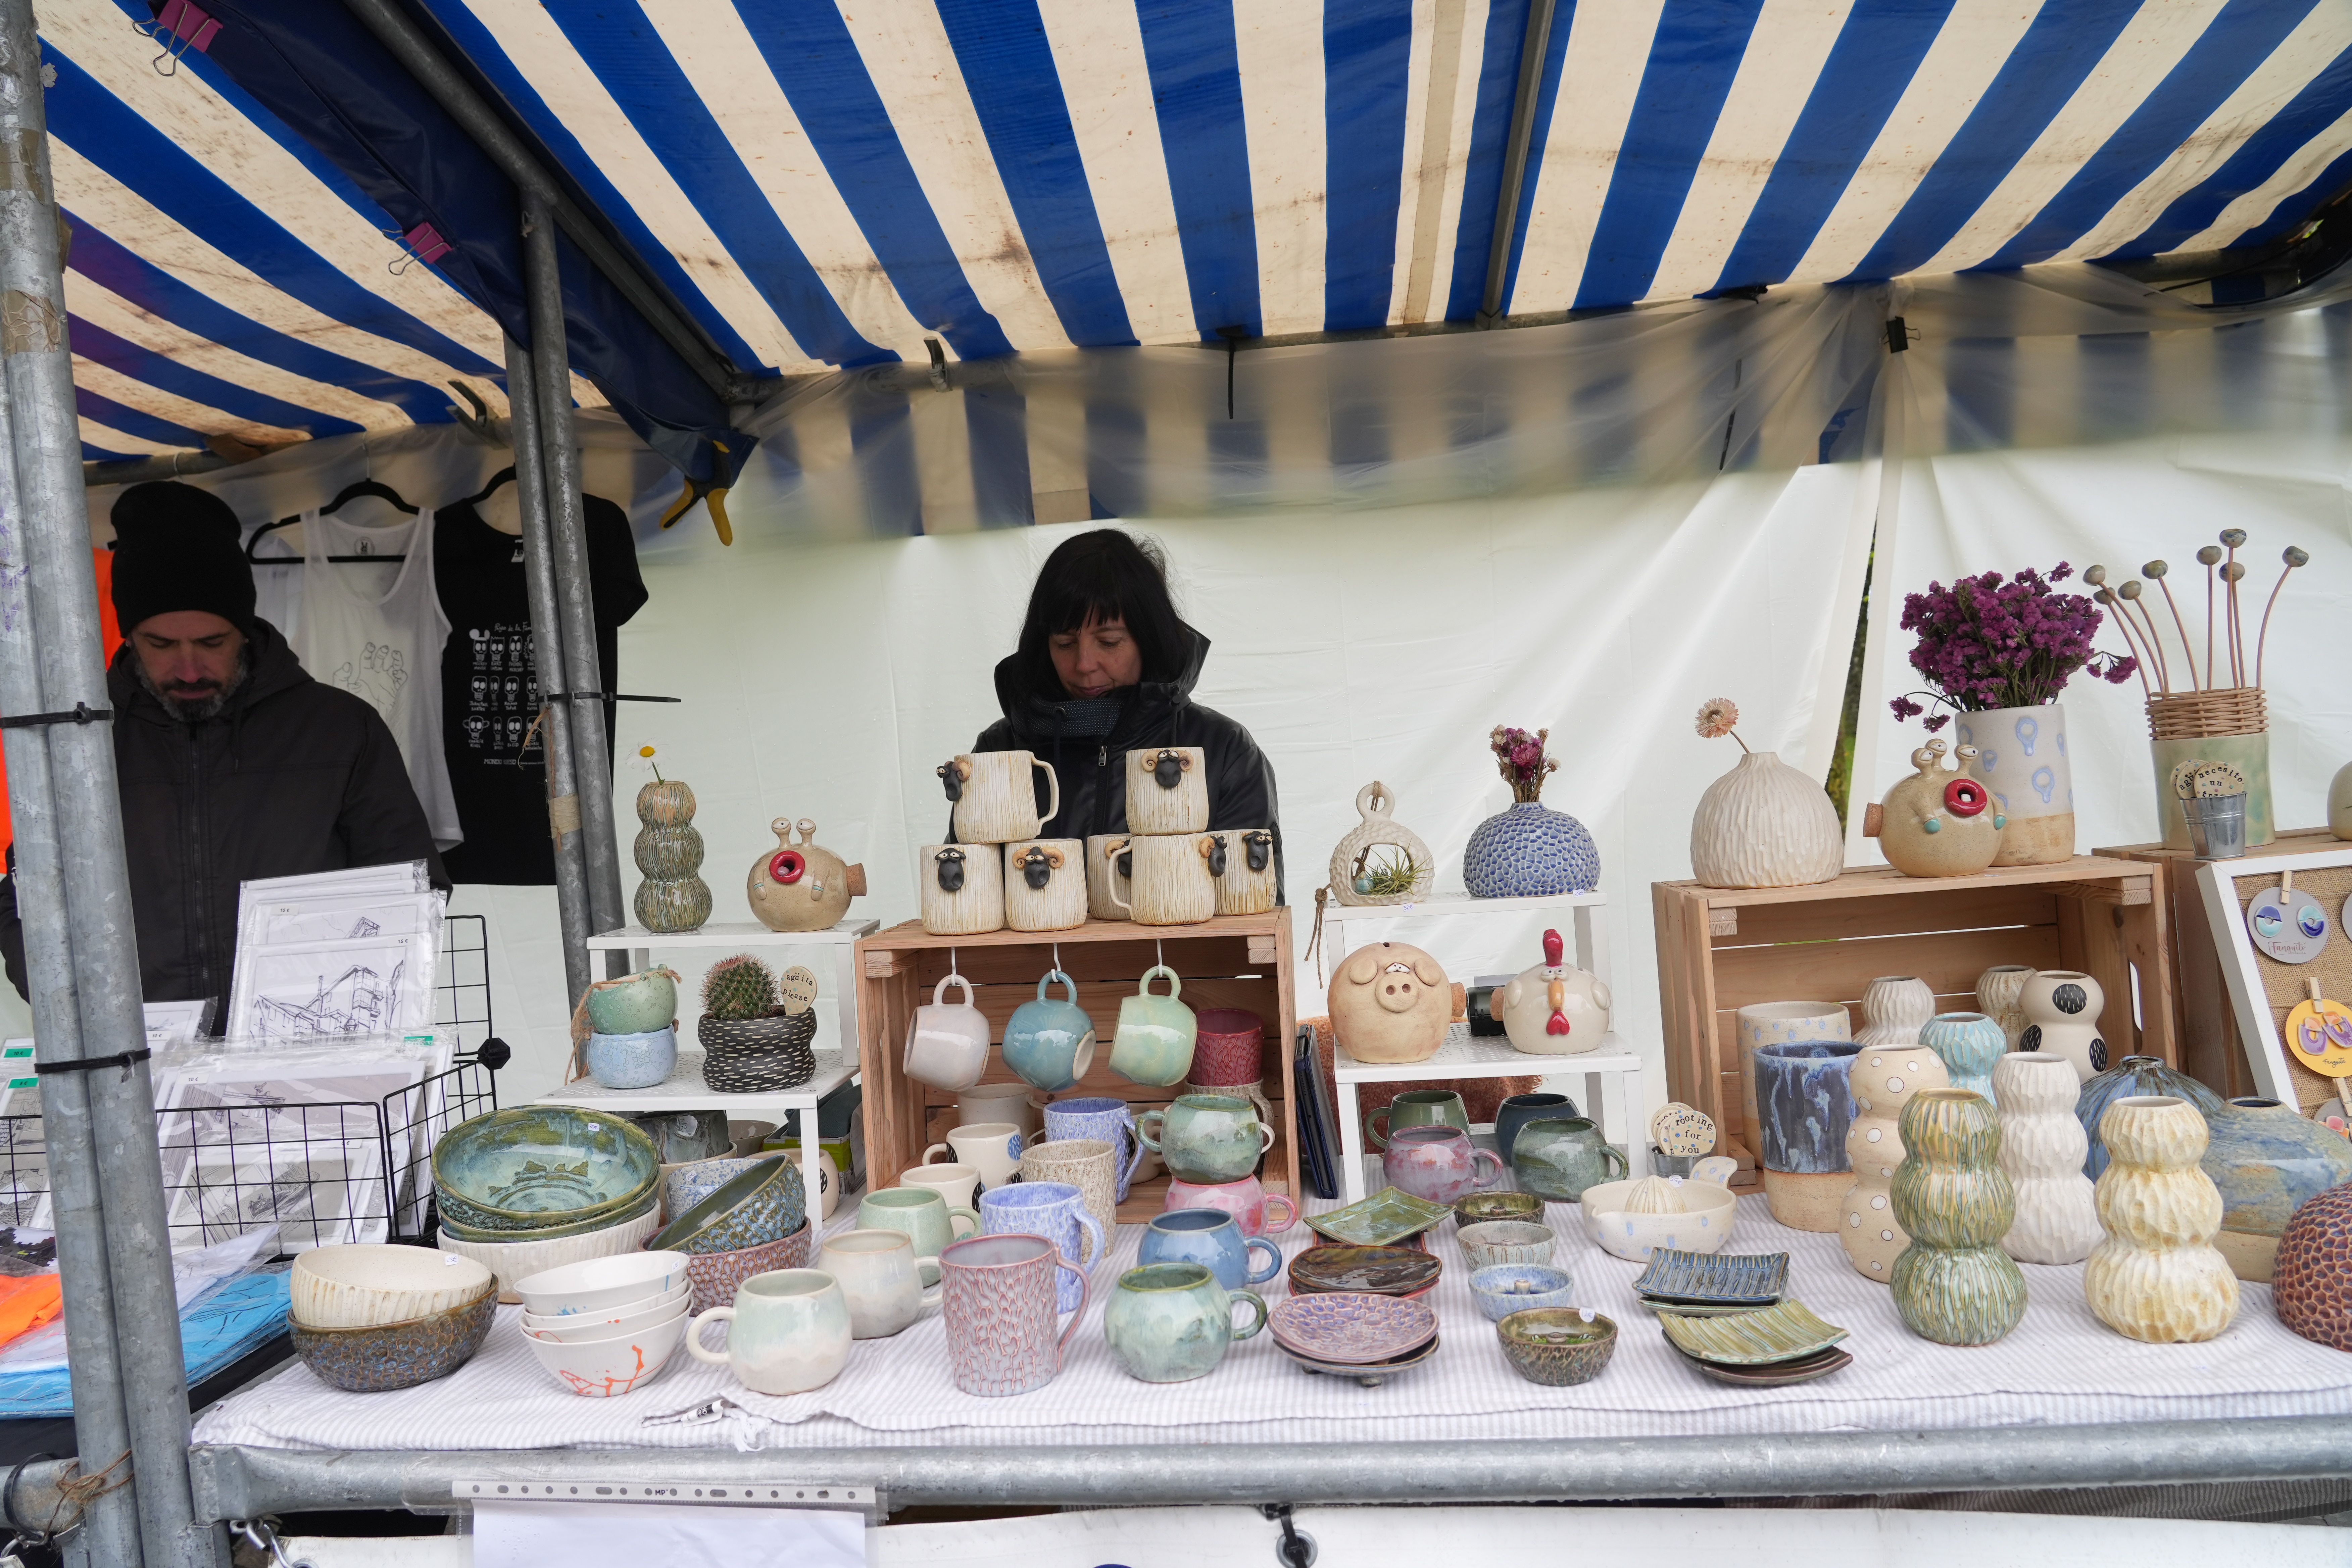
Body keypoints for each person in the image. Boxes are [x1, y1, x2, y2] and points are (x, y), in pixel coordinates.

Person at [0, 482, 445, 1007]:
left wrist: (342, 998)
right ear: (129, 637)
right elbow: (26, 893)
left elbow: (410, 887)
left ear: (245, 629)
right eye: (161, 645)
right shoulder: (79, 742)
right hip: (134, 1059)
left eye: (211, 643)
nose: (188, 669)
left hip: (306, 1046)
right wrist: (68, 998)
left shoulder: (339, 728)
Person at [967, 530, 1279, 869]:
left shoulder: (1223, 751)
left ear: (1150, 639)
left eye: (1110, 642)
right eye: (1065, 644)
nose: (1084, 665)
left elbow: (1252, 907)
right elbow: (966, 898)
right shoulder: (998, 754)